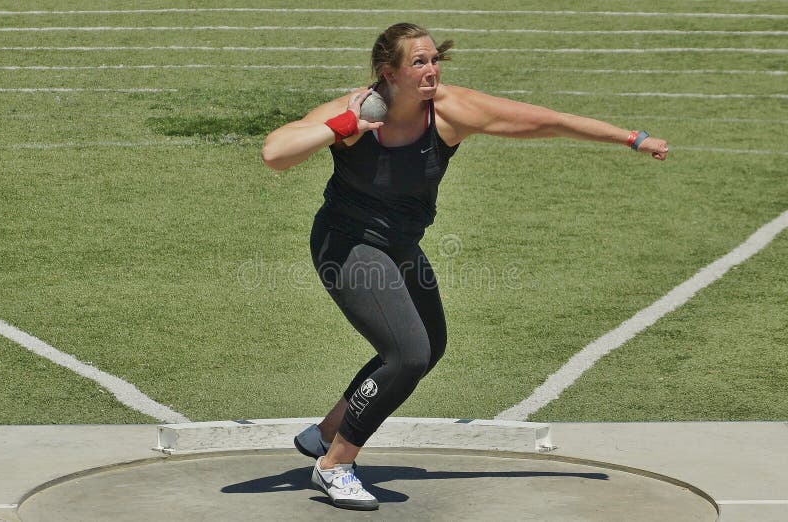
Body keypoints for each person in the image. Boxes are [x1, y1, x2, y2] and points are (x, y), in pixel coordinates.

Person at [261, 22, 668, 511]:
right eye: (418, 62)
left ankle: (327, 432)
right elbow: (275, 153)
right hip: (346, 246)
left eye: (435, 60)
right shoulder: (353, 111)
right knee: (407, 354)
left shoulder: (450, 111)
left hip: (402, 246)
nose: (431, 70)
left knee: (430, 347)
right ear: (388, 73)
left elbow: (542, 120)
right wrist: (341, 128)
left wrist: (630, 137)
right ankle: (335, 464)